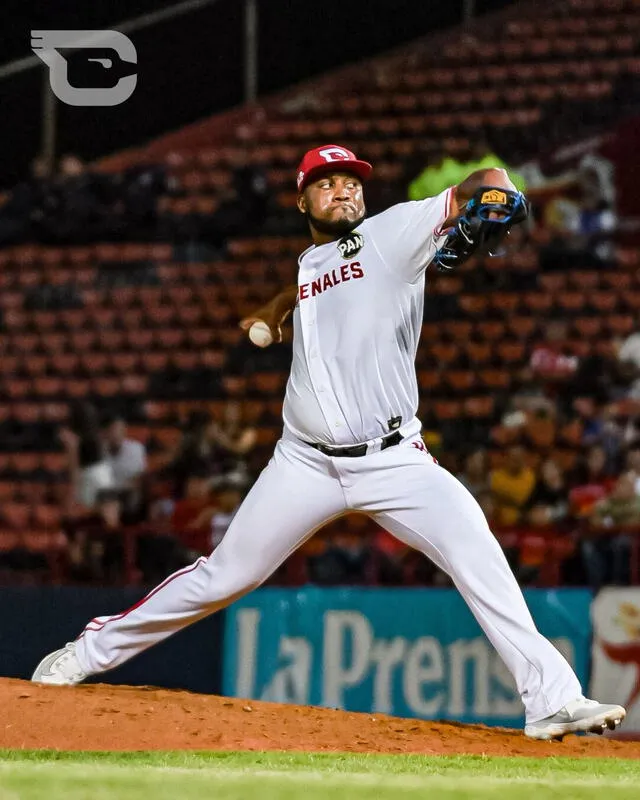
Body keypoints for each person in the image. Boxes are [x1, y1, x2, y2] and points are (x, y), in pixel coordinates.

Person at [32, 143, 625, 740]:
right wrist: (272, 309)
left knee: (477, 550)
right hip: (304, 463)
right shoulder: (308, 266)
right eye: (326, 183)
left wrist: (497, 191)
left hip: (394, 460)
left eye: (351, 182)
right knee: (223, 578)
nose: (343, 191)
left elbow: (482, 182)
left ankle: (552, 698)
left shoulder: (394, 233)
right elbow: (313, 278)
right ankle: (88, 653)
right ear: (302, 200)